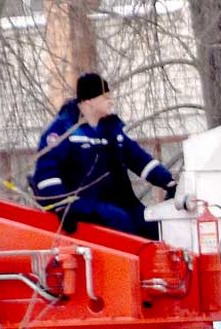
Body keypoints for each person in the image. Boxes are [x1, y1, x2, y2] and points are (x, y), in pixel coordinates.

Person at [31, 72, 176, 238]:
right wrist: (62, 207)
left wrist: (168, 181)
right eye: (105, 97)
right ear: (89, 101)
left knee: (151, 225)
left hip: (118, 201)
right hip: (80, 202)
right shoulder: (63, 131)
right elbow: (46, 172)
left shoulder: (111, 130)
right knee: (119, 220)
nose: (110, 101)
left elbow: (139, 159)